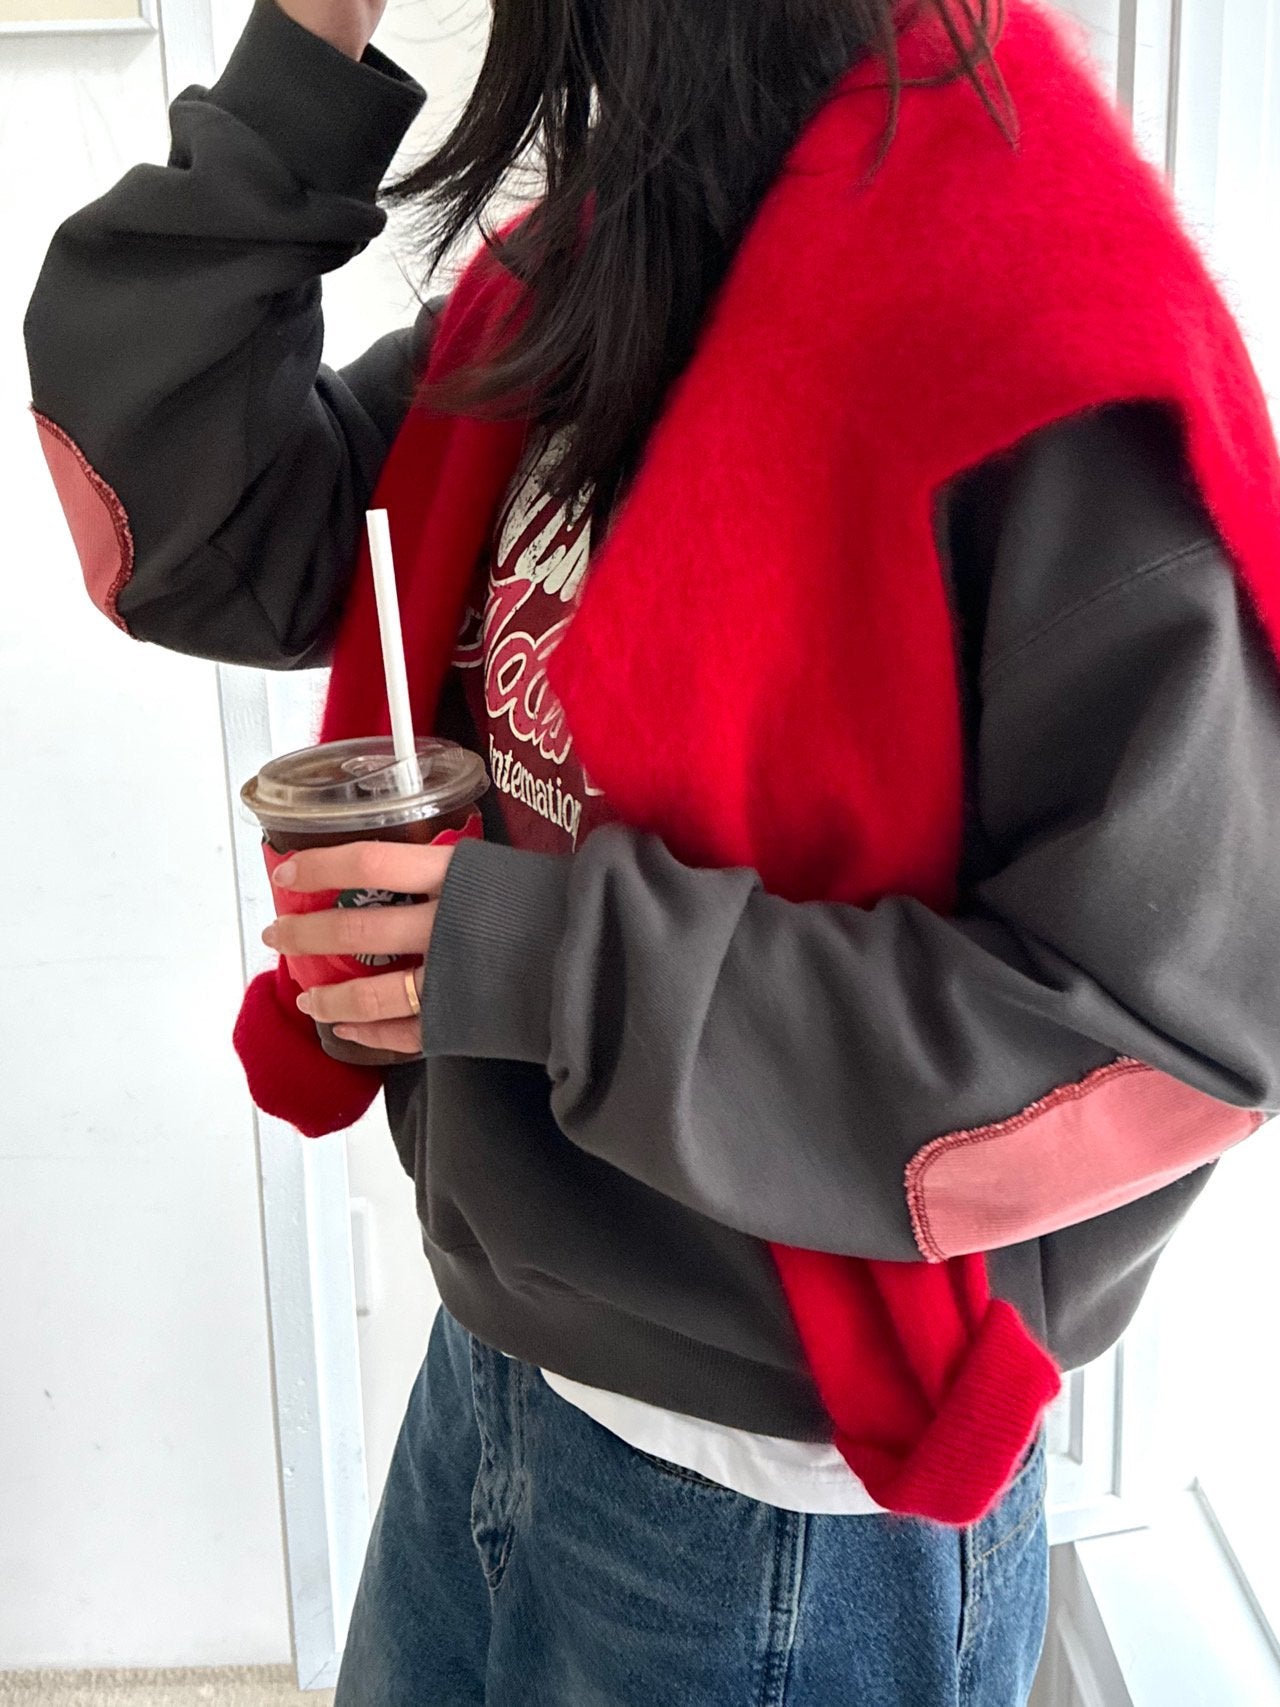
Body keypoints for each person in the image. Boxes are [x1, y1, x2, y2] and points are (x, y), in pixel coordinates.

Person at [24, 0, 1280, 1699]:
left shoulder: (1030, 330)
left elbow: (1167, 1041)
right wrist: (312, 39)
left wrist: (534, 965)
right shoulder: (613, 258)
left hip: (782, 1519)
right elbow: (184, 523)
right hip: (506, 1370)